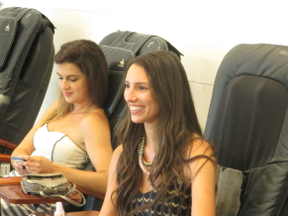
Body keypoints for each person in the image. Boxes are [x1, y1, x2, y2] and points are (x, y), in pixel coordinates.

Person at [1, 39, 113, 215]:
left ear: (92, 79)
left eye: (72, 79)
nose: (64, 86)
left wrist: (54, 169)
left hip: (43, 200)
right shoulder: (57, 107)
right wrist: (20, 162)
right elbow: (21, 149)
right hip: (15, 186)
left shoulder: (92, 122)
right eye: (60, 78)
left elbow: (107, 180)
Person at [99, 51, 216, 216]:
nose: (129, 96)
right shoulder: (123, 154)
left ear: (167, 92)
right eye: (127, 86)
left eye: (141, 87)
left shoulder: (195, 153)